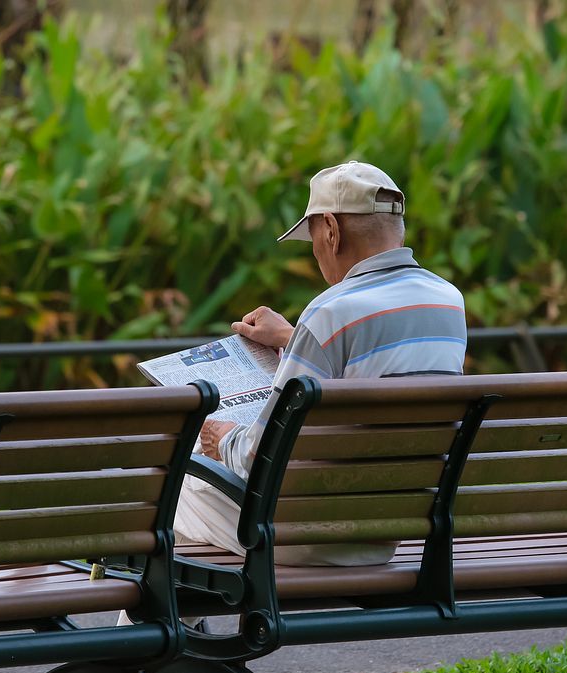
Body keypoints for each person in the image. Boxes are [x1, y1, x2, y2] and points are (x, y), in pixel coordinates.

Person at [176, 160, 468, 566]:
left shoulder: (329, 311)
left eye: (312, 237)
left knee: (174, 487)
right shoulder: (447, 301)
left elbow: (260, 456)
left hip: (306, 536)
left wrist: (222, 438)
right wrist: (293, 337)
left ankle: (184, 611)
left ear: (331, 230)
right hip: (390, 530)